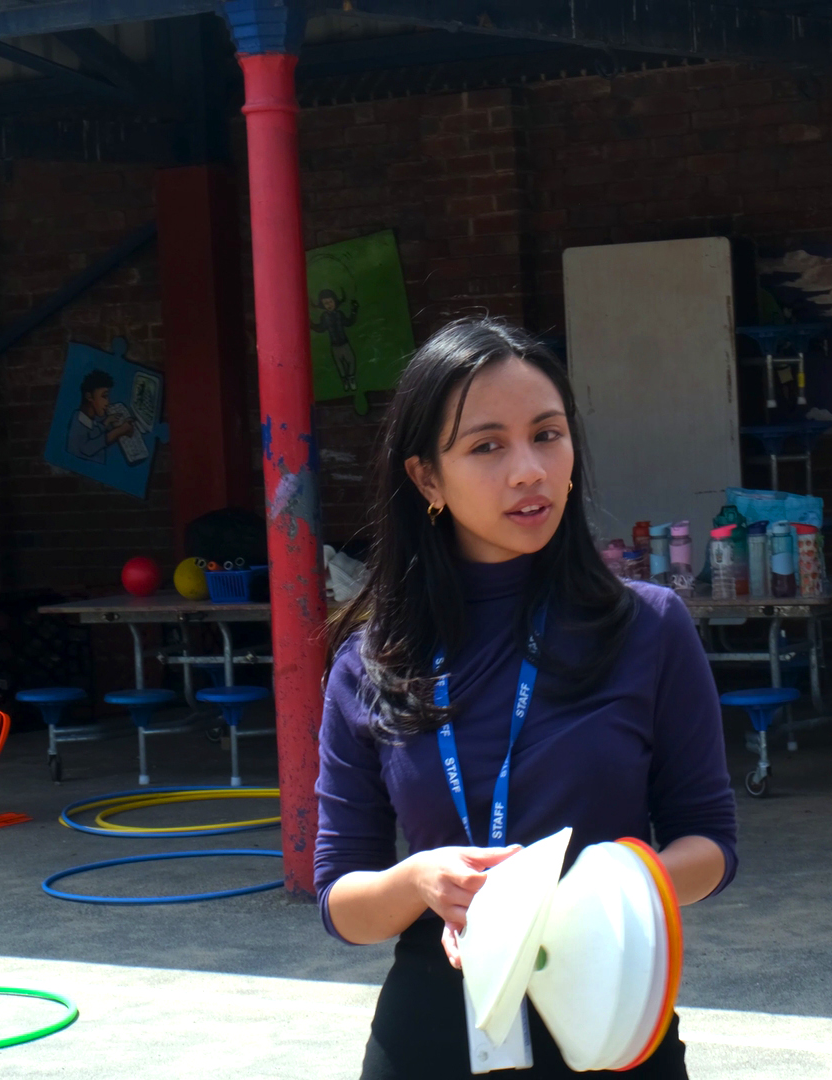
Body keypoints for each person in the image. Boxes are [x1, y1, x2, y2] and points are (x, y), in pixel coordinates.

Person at [315, 317, 737, 1078]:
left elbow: (710, 845)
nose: (529, 469)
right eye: (486, 446)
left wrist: (591, 895)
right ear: (426, 479)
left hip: (611, 1027)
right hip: (432, 1035)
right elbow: (342, 899)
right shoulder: (370, 663)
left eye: (547, 435)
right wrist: (418, 881)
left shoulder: (647, 627)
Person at [65, 369, 135, 465]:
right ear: (89, 397)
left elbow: (92, 433)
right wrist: (119, 431)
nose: (107, 403)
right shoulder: (78, 421)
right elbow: (87, 448)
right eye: (104, 396)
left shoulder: (84, 418)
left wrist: (106, 423)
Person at [311, 289, 361, 391]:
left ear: (335, 302)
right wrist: (310, 324)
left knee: (351, 360)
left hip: (344, 343)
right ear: (322, 305)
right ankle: (345, 381)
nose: (329, 305)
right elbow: (320, 328)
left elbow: (348, 322)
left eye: (330, 302)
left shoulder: (339, 314)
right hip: (335, 346)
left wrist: (354, 310)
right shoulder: (325, 317)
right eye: (326, 303)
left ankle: (351, 378)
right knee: (340, 365)